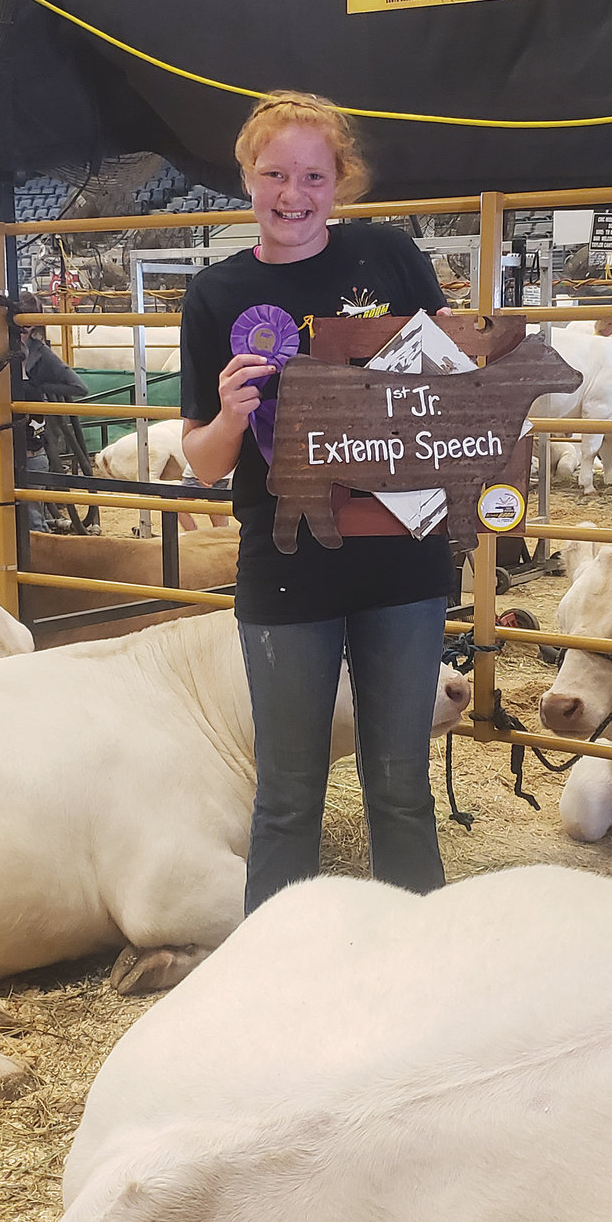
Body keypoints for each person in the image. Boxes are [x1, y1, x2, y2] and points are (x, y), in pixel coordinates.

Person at [180, 90, 454, 914]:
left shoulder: (387, 254)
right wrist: (229, 413)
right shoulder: (214, 294)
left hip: (400, 549)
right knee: (289, 793)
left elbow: (449, 382)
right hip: (288, 560)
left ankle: (420, 956)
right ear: (246, 179)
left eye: (312, 175)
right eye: (273, 174)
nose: (291, 195)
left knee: (399, 784)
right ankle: (273, 978)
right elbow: (201, 465)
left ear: (341, 183)